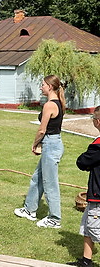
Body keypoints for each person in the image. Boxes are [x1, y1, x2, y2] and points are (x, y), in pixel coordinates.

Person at [14, 75, 66, 228]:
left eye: (42, 84)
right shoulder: (58, 102)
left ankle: (54, 219)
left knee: (50, 183)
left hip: (51, 144)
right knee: (37, 178)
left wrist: (35, 144)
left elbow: (42, 130)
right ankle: (30, 210)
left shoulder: (49, 105)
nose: (40, 87)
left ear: (50, 86)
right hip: (52, 142)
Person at [67, 106, 100, 267]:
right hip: (94, 195)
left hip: (98, 196)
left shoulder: (98, 145)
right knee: (88, 226)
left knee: (96, 229)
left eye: (94, 118)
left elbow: (83, 161)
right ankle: (86, 261)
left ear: (98, 122)